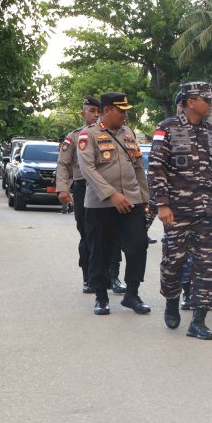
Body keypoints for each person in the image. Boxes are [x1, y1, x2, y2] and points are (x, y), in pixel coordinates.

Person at [149, 81, 212, 340]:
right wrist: (162, 204)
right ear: (191, 101)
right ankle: (171, 300)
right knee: (174, 262)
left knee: (205, 265)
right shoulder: (166, 129)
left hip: (207, 211)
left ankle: (198, 320)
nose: (211, 103)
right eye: (206, 99)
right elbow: (157, 168)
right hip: (177, 211)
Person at [78, 92, 151, 316]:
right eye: (121, 110)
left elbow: (138, 166)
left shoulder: (128, 133)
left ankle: (132, 293)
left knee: (138, 246)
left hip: (131, 201)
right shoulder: (88, 135)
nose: (125, 115)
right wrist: (111, 195)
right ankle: (101, 296)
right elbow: (87, 169)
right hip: (101, 205)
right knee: (101, 250)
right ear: (107, 110)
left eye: (126, 110)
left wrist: (145, 199)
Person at [55, 96, 101, 293]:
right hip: (83, 187)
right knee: (87, 233)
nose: (95, 115)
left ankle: (111, 276)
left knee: (109, 234)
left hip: (107, 188)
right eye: (91, 111)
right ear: (83, 114)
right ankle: (88, 276)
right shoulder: (73, 137)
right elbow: (63, 164)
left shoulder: (112, 134)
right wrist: (63, 188)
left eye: (98, 111)